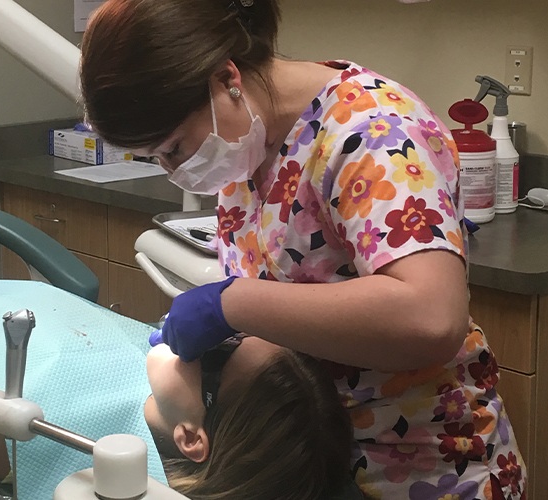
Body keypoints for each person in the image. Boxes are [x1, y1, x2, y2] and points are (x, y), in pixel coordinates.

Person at [79, 0, 526, 498]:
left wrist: (232, 305)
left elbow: (431, 318)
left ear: (226, 78)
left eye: (173, 148)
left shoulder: (373, 132)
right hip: (311, 462)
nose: (171, 170)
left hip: (421, 466)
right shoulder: (253, 144)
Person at [0, 212, 356, 499]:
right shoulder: (161, 373)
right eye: (234, 331)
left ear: (193, 437)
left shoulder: (24, 440)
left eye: (217, 355)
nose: (205, 340)